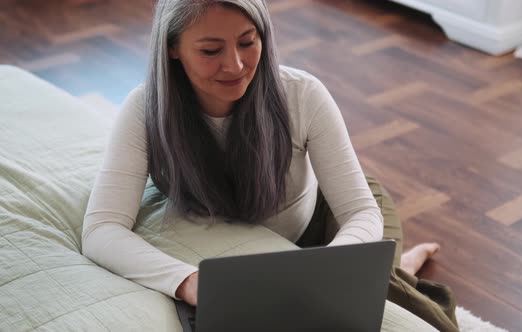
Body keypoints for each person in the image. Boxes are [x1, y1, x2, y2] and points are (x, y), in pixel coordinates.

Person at [82, 0, 458, 330]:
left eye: (248, 41)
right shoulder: (144, 109)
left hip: (323, 215)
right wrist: (189, 282)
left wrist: (327, 267)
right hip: (262, 247)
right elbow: (101, 228)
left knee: (379, 294)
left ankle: (402, 267)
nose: (236, 64)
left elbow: (360, 209)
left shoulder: (302, 93)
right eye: (211, 50)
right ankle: (402, 264)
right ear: (172, 49)